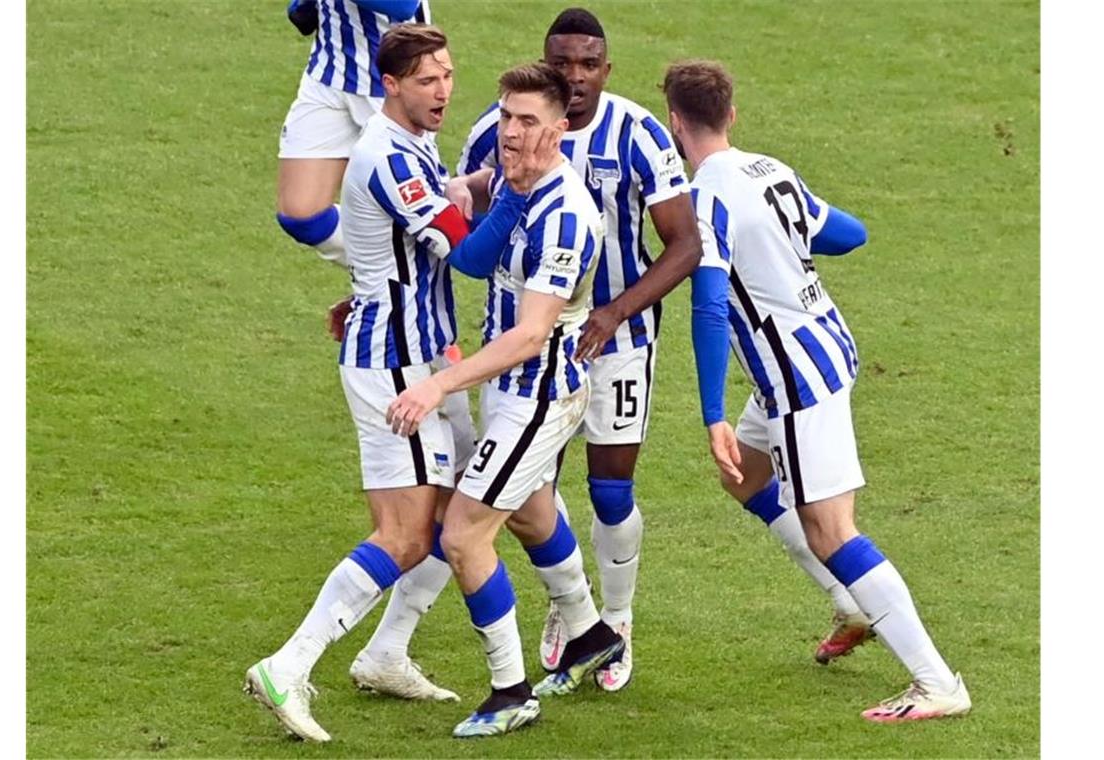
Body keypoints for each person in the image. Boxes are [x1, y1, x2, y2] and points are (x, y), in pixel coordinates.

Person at [356, 6, 703, 695]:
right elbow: (462, 234)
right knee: (520, 497)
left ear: (607, 68)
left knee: (606, 490)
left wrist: (613, 310)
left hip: (613, 339)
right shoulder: (499, 126)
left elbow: (685, 243)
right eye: (561, 63)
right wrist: (381, 287)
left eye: (587, 64)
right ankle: (575, 623)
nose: (574, 76)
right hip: (523, 353)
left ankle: (613, 620)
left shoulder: (637, 133)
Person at [243, 24, 554, 743]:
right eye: (426, 80)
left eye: (447, 74)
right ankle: (288, 666)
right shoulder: (390, 156)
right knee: (409, 533)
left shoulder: (409, 144)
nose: (443, 90)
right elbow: (471, 256)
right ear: (390, 86)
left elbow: (409, 234)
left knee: (457, 515)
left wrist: (477, 186)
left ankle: (385, 652)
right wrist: (517, 188)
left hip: (419, 352)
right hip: (394, 366)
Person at [665, 58, 972, 722]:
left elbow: (711, 305)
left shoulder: (707, 196)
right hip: (825, 346)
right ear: (731, 115)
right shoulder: (769, 169)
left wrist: (712, 411)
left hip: (796, 378)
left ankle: (936, 681)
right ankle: (853, 602)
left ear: (673, 123)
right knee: (744, 475)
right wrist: (784, 245)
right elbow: (849, 234)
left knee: (831, 529)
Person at [386, 62, 624, 737]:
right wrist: (501, 191)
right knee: (527, 514)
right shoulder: (521, 189)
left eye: (527, 122)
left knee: (463, 535)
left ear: (559, 128)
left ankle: (509, 690)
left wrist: (436, 383)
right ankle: (587, 636)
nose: (510, 132)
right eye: (505, 117)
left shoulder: (566, 217)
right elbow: (471, 263)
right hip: (514, 393)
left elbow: (527, 336)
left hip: (538, 396)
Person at [275, 0, 431, 266]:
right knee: (301, 215)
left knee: (419, 216)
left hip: (391, 84)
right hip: (328, 75)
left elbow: (403, 5)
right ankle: (392, 273)